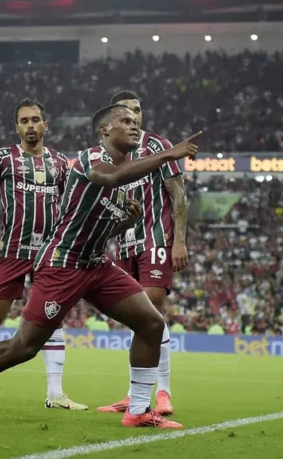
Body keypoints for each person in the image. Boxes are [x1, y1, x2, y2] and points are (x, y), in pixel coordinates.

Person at [0, 104, 201, 428]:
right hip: (63, 264)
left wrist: (124, 222)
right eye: (125, 121)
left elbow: (96, 228)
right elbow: (111, 176)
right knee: (26, 346)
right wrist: (170, 154)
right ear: (104, 131)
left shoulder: (120, 179)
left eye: (136, 122)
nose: (134, 126)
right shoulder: (91, 160)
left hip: (97, 265)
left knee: (151, 324)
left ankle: (139, 410)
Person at [0, 98, 87, 410]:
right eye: (24, 121)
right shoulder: (5, 157)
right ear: (16, 127)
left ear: (46, 124)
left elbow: (71, 201)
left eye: (35, 120)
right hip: (13, 250)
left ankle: (55, 394)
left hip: (48, 253)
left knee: (52, 317)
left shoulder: (59, 162)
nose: (31, 125)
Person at [97, 90, 188, 416]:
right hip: (123, 245)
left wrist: (179, 240)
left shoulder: (159, 147)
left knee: (151, 310)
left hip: (156, 240)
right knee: (138, 320)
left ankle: (163, 392)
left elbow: (178, 194)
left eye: (138, 111)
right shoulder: (111, 155)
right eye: (128, 113)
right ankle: (135, 394)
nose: (135, 117)